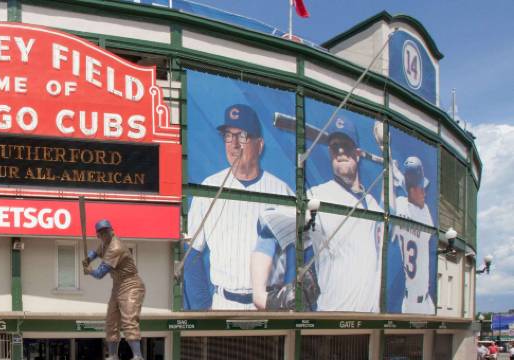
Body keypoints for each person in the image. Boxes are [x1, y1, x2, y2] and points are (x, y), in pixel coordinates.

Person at [185, 104, 294, 310]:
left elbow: (298, 253)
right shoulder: (208, 189)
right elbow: (191, 254)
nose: (234, 144)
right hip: (223, 303)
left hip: (269, 306)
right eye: (228, 136)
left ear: (259, 145)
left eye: (242, 136)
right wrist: (201, 309)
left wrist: (287, 304)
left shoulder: (282, 191)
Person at [306, 117, 384, 312]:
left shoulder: (374, 206)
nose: (340, 152)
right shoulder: (316, 195)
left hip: (370, 322)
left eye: (346, 146)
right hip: (331, 318)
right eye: (335, 147)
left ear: (357, 153)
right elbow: (291, 226)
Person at [82, 219, 146, 360]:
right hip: (117, 285)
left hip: (131, 285)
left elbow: (99, 274)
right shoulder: (105, 244)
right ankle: (112, 355)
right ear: (98, 235)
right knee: (111, 321)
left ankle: (137, 356)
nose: (105, 234)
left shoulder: (115, 247)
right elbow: (96, 252)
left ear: (112, 230)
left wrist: (89, 270)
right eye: (102, 233)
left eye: (107, 231)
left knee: (129, 319)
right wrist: (88, 258)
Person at [392, 156, 436, 314]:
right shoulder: (419, 214)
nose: (424, 193)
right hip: (414, 304)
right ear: (412, 189)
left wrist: (394, 169)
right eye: (421, 188)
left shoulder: (404, 206)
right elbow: (404, 184)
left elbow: (403, 184)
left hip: (422, 300)